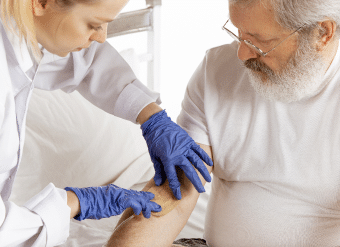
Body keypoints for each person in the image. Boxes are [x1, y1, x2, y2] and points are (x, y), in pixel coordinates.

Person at [105, 0, 340, 246]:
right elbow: (177, 189)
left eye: (258, 41)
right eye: (239, 33)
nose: (242, 54)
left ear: (322, 33)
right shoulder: (215, 70)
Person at [0, 0, 213, 245]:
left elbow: (86, 62)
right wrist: (76, 202)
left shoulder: (18, 33)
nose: (102, 38)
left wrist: (151, 116)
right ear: (40, 3)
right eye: (94, 24)